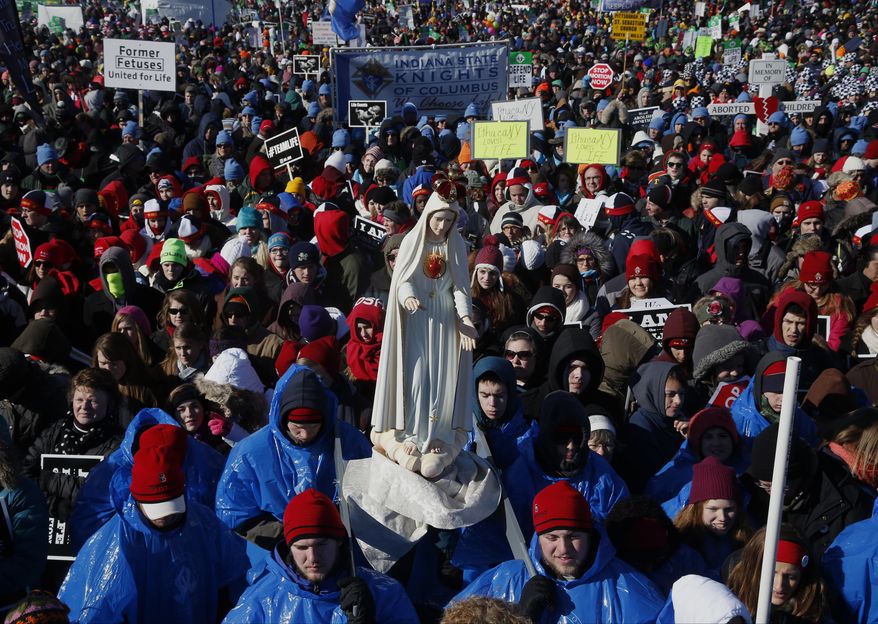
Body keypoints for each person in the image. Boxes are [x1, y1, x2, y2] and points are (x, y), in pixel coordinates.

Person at [59, 426, 249, 623]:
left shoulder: (202, 520)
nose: (165, 518)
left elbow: (237, 572)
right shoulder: (119, 538)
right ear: (138, 500)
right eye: (158, 509)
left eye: (172, 507)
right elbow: (97, 608)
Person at [371, 179, 478, 478]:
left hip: (443, 321)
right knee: (417, 378)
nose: (442, 225)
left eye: (448, 220)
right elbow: (402, 278)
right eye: (438, 219)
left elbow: (460, 287)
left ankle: (436, 437)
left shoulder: (455, 244)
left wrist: (465, 319)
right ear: (428, 215)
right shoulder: (411, 242)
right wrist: (408, 298)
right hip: (417, 320)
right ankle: (411, 435)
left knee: (442, 380)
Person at [452, 481, 664, 623]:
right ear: (538, 537)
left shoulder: (628, 588)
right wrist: (519, 617)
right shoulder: (504, 580)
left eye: (574, 537)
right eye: (552, 538)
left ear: (590, 534)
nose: (564, 549)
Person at [215, 366, 371, 549]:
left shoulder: (349, 443)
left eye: (312, 426)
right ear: (282, 419)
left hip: (342, 547)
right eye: (297, 427)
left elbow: (372, 498)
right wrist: (289, 537)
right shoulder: (250, 453)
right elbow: (235, 514)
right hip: (276, 552)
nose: (304, 435)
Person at [225, 489, 419, 623]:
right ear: (289, 547)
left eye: (322, 545)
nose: (313, 557)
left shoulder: (383, 592)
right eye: (301, 547)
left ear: (340, 541)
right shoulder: (262, 599)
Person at [23, 368, 123, 523]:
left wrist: (49, 480)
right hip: (47, 523)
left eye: (93, 401)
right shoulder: (52, 433)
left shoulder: (118, 444)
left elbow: (104, 489)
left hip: (94, 524)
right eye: (79, 400)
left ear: (109, 404)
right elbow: (27, 475)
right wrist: (53, 504)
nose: (84, 406)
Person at [727, 525, 828, 623]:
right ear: (754, 570)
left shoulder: (812, 613)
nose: (780, 586)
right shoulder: (729, 599)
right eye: (771, 575)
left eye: (791, 577)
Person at [672, 457, 750, 577]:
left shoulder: (746, 537)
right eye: (713, 509)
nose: (722, 518)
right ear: (696, 509)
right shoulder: (679, 545)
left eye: (729, 509)